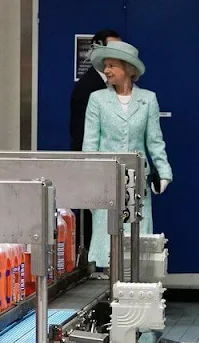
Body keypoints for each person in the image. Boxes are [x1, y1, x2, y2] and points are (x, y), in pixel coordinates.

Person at [82, 41, 172, 268]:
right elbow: (90, 143)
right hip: (106, 179)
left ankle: (133, 288)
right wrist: (89, 177)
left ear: (128, 69)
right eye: (106, 66)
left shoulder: (148, 99)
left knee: (135, 236)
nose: (107, 71)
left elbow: (154, 140)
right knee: (106, 236)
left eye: (112, 65)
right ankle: (107, 291)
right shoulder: (97, 99)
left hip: (136, 179)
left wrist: (164, 172)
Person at [70, 29, 121, 254]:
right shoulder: (88, 87)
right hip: (94, 163)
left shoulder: (115, 86)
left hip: (111, 166)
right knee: (93, 220)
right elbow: (83, 133)